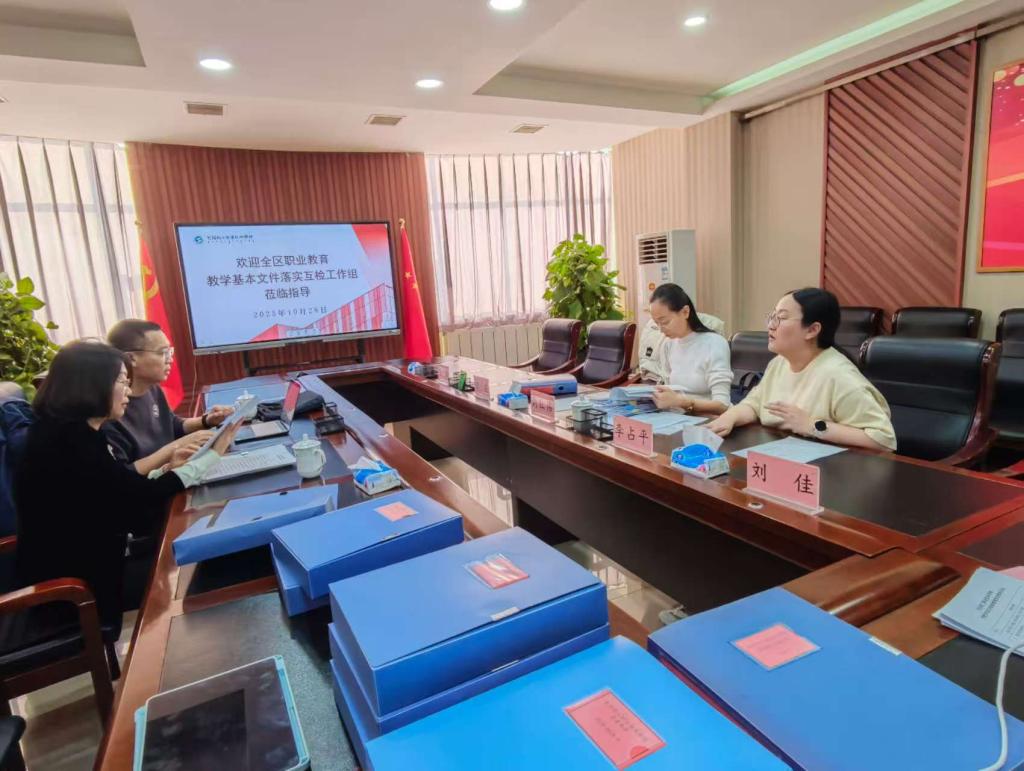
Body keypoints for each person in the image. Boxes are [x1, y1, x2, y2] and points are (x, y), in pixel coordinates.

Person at [13, 340, 241, 625]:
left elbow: (120, 487)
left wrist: (169, 469)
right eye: (122, 382)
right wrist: (210, 457)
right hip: (75, 592)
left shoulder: (72, 430)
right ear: (92, 386)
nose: (129, 392)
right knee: (205, 569)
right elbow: (133, 506)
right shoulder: (68, 443)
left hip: (93, 564)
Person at [706, 288, 896, 451]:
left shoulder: (839, 376)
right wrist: (730, 416)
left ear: (812, 330)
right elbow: (755, 404)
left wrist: (812, 426)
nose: (770, 326)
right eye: (772, 317)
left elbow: (883, 439)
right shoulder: (779, 363)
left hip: (828, 470)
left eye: (781, 318)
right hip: (784, 455)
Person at [105, 320, 232, 474]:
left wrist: (206, 421)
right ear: (131, 358)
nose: (170, 359)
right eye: (162, 353)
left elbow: (172, 425)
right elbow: (122, 474)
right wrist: (177, 446)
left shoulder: (153, 389)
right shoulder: (110, 409)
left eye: (170, 352)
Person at [647, 284, 732, 415]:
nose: (661, 329)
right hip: (676, 417)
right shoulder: (668, 344)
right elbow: (669, 389)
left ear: (685, 312)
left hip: (709, 419)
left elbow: (722, 405)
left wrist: (681, 402)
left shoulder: (714, 343)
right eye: (656, 323)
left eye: (665, 322)